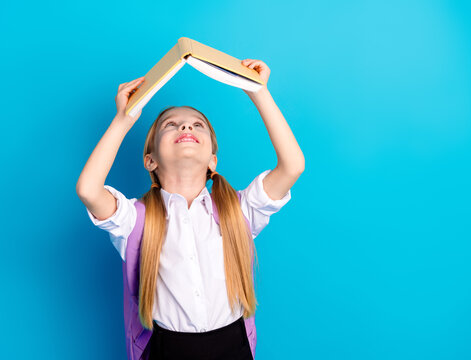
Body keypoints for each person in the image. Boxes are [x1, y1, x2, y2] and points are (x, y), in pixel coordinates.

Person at [76, 58, 305, 359]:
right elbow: (88, 190)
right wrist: (123, 120)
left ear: (212, 160)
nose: (186, 126)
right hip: (167, 349)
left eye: (198, 125)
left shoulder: (239, 211)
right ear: (150, 160)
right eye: (171, 125)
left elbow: (292, 166)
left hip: (232, 345)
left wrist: (258, 91)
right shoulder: (135, 220)